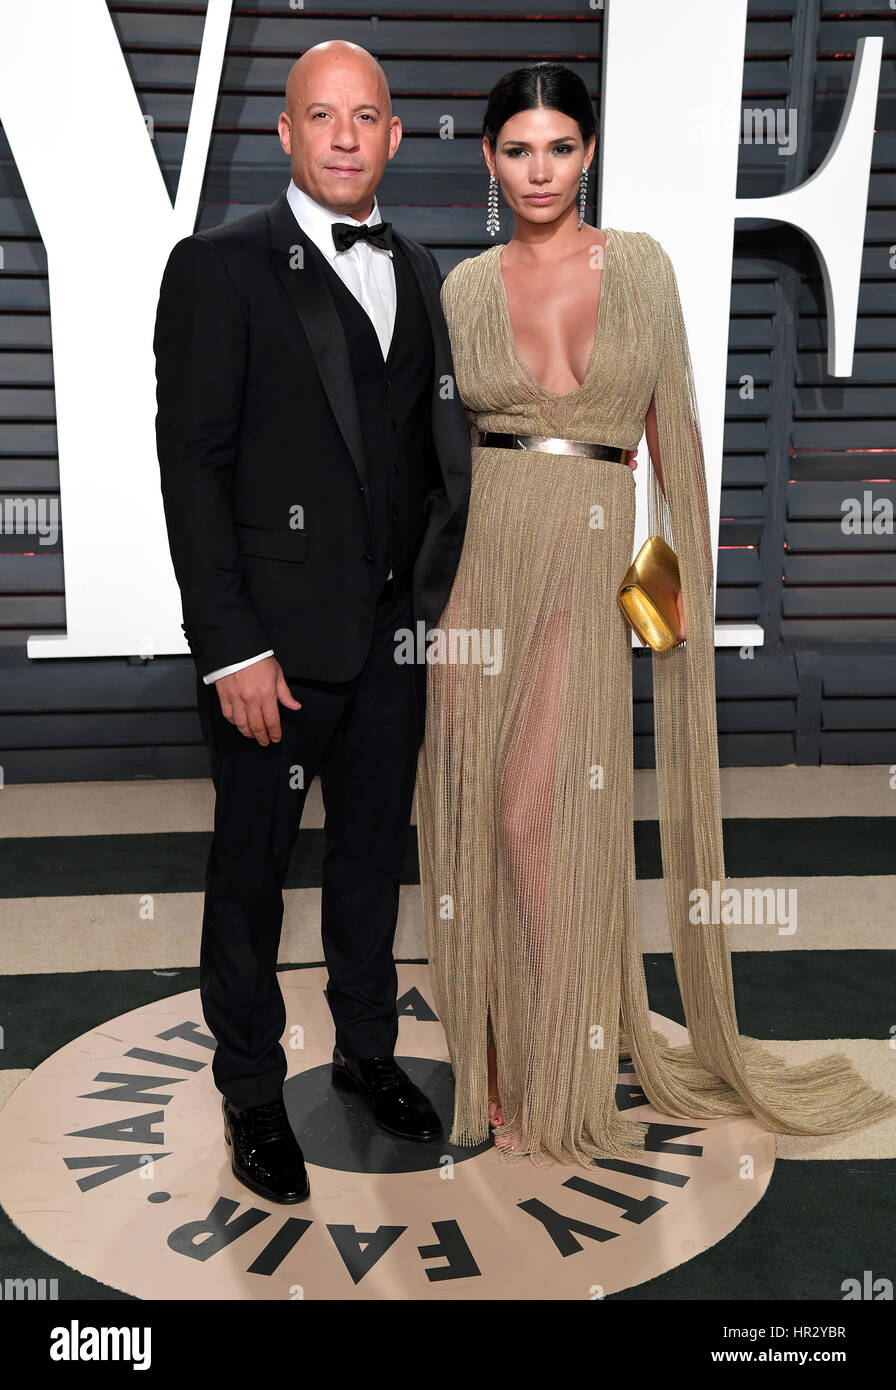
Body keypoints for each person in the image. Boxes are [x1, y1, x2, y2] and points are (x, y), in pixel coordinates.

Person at [415, 61, 896, 1167]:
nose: (539, 169)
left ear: (587, 153)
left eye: (559, 146)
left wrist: (664, 608)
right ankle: (488, 1056)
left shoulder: (637, 267)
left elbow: (673, 449)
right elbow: (438, 467)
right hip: (484, 572)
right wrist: (430, 609)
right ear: (489, 160)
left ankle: (562, 1060)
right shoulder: (464, 288)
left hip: (587, 569)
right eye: (517, 149)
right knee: (475, 817)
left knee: (544, 817)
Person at [153, 40, 471, 1203]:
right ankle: (248, 1091)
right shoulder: (219, 267)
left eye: (366, 116)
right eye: (319, 116)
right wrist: (232, 644)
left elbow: (433, 462)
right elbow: (192, 468)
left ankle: (366, 1053)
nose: (344, 135)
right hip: (270, 655)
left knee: (370, 865)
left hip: (390, 645)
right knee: (249, 876)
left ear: (393, 136)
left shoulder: (428, 271)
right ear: (284, 134)